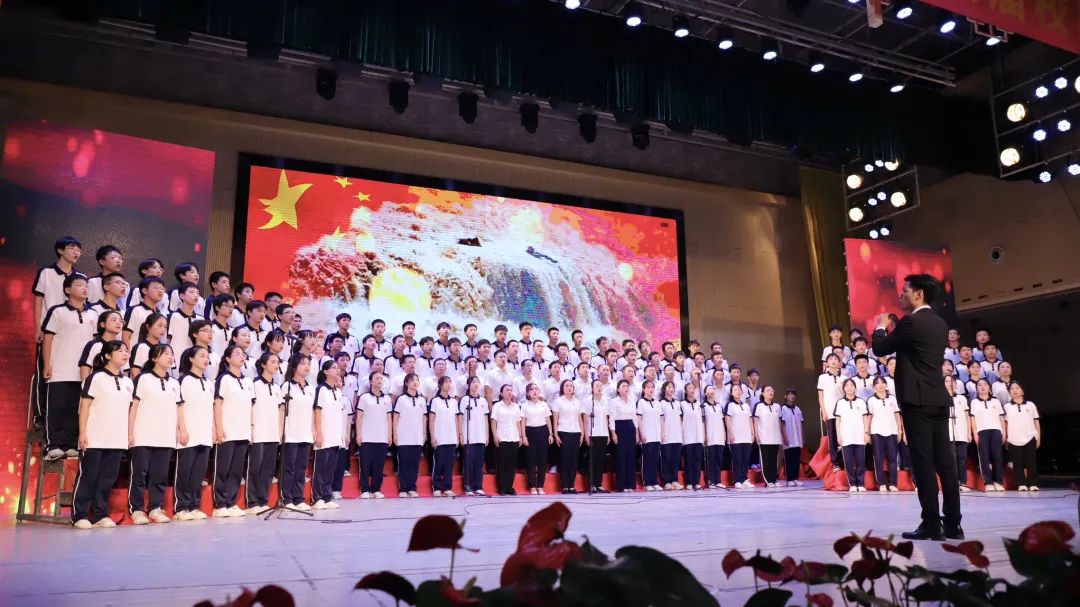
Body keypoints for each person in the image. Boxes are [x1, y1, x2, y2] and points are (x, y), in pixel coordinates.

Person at [871, 274, 962, 540]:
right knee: (946, 463)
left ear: (919, 294)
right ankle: (953, 524)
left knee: (923, 463)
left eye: (905, 290)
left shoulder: (911, 322)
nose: (901, 295)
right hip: (938, 399)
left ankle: (931, 524)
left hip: (917, 401)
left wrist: (881, 326)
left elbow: (880, 348)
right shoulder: (940, 323)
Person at [71, 340, 130, 529]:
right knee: (89, 476)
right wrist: (82, 432)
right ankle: (79, 515)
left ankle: (100, 514)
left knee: (107, 478)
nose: (125, 353)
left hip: (116, 439)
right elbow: (84, 406)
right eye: (119, 350)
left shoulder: (128, 382)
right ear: (107, 356)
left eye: (126, 350)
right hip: (95, 437)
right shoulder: (96, 377)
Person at [42, 273, 96, 460]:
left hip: (82, 372)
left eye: (86, 285)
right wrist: (47, 364)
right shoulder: (57, 311)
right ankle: (53, 445)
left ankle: (72, 444)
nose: (84, 288)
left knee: (76, 409)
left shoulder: (93, 314)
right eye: (79, 285)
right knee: (57, 408)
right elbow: (48, 339)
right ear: (67, 290)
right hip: (60, 369)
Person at [127, 344, 179, 525]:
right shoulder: (143, 378)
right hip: (143, 434)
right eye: (166, 354)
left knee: (160, 475)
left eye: (172, 354)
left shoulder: (174, 383)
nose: (170, 357)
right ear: (154, 358)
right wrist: (130, 432)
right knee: (139, 474)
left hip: (165, 436)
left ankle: (156, 508)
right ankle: (137, 509)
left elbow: (178, 409)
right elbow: (134, 406)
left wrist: (180, 430)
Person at [212, 346, 254, 517]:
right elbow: (218, 405)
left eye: (243, 354)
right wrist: (218, 428)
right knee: (223, 469)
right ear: (228, 359)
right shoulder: (224, 379)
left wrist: (251, 428)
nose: (241, 356)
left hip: (243, 432)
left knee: (236, 470)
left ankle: (231, 502)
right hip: (227, 432)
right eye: (237, 354)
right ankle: (220, 504)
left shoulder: (248, 381)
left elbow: (250, 407)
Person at [175, 346, 213, 521]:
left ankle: (194, 506)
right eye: (202, 356)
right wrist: (182, 429)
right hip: (188, 434)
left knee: (198, 473)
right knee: (185, 472)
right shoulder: (184, 380)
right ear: (191, 359)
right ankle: (181, 507)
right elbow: (179, 406)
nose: (206, 359)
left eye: (207, 356)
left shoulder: (208, 383)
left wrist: (212, 430)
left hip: (204, 435)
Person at [247, 352, 284, 515]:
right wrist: (250, 428)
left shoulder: (277, 387)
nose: (276, 365)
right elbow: (249, 407)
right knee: (255, 468)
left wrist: (280, 432)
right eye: (272, 362)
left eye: (277, 362)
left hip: (272, 434)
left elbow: (280, 410)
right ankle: (252, 501)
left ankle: (263, 500)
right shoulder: (254, 384)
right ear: (263, 364)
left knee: (268, 470)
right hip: (258, 433)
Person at [281, 353, 315, 512]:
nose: (307, 366)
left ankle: (298, 498)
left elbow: (312, 411)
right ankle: (286, 498)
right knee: (289, 467)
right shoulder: (287, 386)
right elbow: (282, 410)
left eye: (308, 363)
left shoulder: (311, 388)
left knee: (301, 468)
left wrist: (313, 430)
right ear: (294, 366)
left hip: (305, 433)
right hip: (290, 433)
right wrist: (281, 432)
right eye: (303, 363)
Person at [312, 360, 344, 510]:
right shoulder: (321, 389)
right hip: (324, 436)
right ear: (325, 371)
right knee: (321, 468)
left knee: (331, 468)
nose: (337, 370)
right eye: (333, 368)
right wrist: (318, 433)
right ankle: (317, 498)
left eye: (338, 368)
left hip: (335, 436)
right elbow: (317, 411)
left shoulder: (338, 392)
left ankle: (327, 496)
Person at [356, 372, 392, 499]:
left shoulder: (387, 399)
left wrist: (389, 434)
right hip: (367, 436)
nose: (379, 380)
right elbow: (359, 416)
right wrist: (358, 434)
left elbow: (389, 417)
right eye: (377, 378)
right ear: (371, 381)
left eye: (381, 378)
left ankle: (376, 489)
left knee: (379, 465)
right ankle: (365, 489)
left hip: (382, 437)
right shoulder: (364, 397)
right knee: (365, 465)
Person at [392, 373, 427, 498]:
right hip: (403, 436)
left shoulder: (422, 400)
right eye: (412, 380)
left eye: (417, 380)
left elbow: (424, 418)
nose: (415, 382)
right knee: (404, 464)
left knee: (414, 464)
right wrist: (395, 434)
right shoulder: (401, 399)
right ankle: (403, 488)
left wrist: (424, 433)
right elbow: (395, 417)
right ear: (406, 383)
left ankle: (412, 488)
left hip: (417, 436)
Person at [969, 379, 1006, 492]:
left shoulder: (995, 401)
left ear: (989, 387)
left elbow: (1001, 417)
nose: (983, 387)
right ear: (976, 389)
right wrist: (975, 433)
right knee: (984, 457)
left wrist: (1004, 432)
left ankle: (998, 481)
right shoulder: (974, 402)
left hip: (996, 430)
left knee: (997, 457)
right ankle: (988, 482)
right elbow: (973, 418)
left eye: (985, 384)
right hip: (982, 431)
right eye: (979, 385)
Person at [834, 379, 870, 493]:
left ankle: (861, 484)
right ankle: (853, 484)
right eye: (847, 386)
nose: (849, 387)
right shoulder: (840, 403)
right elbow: (838, 420)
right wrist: (838, 435)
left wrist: (866, 433)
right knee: (848, 462)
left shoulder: (861, 402)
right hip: (846, 437)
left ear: (855, 388)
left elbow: (865, 418)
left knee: (861, 461)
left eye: (852, 385)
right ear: (844, 389)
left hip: (860, 436)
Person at [1002, 382, 1040, 491]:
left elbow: (1036, 421)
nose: (1015, 390)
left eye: (1017, 388)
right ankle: (1021, 483)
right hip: (1014, 438)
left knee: (1031, 461)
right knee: (1017, 462)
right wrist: (1007, 437)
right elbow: (1005, 423)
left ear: (1022, 391)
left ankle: (1032, 483)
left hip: (1030, 436)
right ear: (1009, 392)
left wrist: (1038, 437)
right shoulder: (1007, 407)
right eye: (1012, 389)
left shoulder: (1030, 405)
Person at [866, 377, 901, 493]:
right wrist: (867, 432)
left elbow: (897, 415)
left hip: (892, 431)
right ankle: (881, 484)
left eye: (883, 383)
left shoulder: (892, 399)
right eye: (877, 383)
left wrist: (899, 430)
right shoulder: (871, 400)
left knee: (893, 459)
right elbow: (869, 417)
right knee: (878, 459)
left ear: (886, 385)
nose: (881, 385)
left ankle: (893, 484)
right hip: (876, 432)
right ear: (874, 386)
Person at [428, 377, 460, 497]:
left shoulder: (454, 402)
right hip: (440, 436)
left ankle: (447, 487)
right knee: (438, 463)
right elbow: (431, 420)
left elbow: (456, 420)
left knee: (449, 464)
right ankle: (436, 487)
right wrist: (433, 436)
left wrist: (457, 436)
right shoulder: (435, 401)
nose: (448, 384)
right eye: (446, 382)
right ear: (440, 385)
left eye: (449, 382)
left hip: (451, 436)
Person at [552, 379, 585, 494]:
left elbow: (579, 419)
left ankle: (571, 485)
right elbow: (555, 419)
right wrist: (555, 434)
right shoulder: (558, 401)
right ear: (562, 388)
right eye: (566, 386)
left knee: (573, 460)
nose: (569, 388)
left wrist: (582, 433)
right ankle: (565, 485)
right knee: (564, 459)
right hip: (563, 431)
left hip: (575, 432)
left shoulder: (577, 402)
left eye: (571, 386)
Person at [490, 384, 524, 496]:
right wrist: (495, 435)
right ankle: (502, 487)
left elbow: (518, 422)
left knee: (512, 464)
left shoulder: (516, 407)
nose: (510, 392)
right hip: (502, 438)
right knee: (501, 464)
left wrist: (520, 436)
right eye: (507, 390)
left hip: (514, 437)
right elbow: (493, 421)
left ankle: (510, 487)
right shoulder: (497, 406)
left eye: (511, 390)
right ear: (501, 393)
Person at [458, 376, 489, 496]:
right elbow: (460, 417)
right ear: (468, 385)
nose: (476, 384)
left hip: (480, 435)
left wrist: (486, 435)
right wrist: (461, 434)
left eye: (477, 382)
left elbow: (486, 418)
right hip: (468, 436)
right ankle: (468, 486)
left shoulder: (483, 401)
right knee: (468, 462)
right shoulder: (465, 399)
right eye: (473, 382)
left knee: (479, 463)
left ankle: (478, 486)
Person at [522, 383, 553, 495]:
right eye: (531, 389)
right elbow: (523, 422)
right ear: (528, 393)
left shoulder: (544, 405)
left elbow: (548, 420)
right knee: (531, 460)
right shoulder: (524, 405)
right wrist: (524, 436)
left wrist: (550, 434)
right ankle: (532, 486)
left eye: (536, 389)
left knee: (542, 460)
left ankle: (540, 486)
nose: (534, 391)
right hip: (530, 432)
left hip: (543, 431)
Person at [817, 353, 845, 472]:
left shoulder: (843, 377)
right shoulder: (822, 377)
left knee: (843, 438)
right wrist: (824, 411)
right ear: (827, 363)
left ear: (839, 363)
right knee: (832, 438)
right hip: (830, 412)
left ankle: (844, 461)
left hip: (843, 413)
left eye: (835, 359)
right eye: (830, 359)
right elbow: (821, 396)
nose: (833, 361)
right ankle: (836, 463)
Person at [608, 380, 638, 493]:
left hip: (630, 427)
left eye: (627, 386)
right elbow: (611, 418)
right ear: (618, 389)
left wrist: (636, 432)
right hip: (620, 428)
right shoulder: (614, 402)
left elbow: (634, 417)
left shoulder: (631, 400)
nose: (626, 388)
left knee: (631, 456)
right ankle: (621, 485)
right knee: (621, 457)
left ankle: (630, 484)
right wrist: (613, 433)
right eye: (623, 386)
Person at [944, 375, 973, 492]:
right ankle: (953, 482)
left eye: (952, 381)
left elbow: (967, 416)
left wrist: (969, 432)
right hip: (948, 434)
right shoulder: (941, 398)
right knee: (951, 459)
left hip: (961, 432)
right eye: (947, 381)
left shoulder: (962, 398)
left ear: (956, 384)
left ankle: (963, 482)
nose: (950, 383)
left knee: (962, 458)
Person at [79, 310, 124, 382]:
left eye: (121, 321)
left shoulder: (122, 347)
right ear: (103, 324)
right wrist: (87, 387)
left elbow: (123, 372)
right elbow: (84, 371)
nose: (118, 323)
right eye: (114, 320)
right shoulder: (94, 345)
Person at [584, 379, 612, 493]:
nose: (599, 388)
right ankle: (591, 484)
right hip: (593, 433)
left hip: (603, 433)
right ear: (592, 388)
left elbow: (606, 418)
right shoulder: (588, 401)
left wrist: (608, 434)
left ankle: (598, 483)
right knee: (592, 460)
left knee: (601, 459)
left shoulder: (605, 401)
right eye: (596, 386)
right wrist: (586, 434)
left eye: (600, 386)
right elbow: (585, 420)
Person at [725, 384, 754, 489]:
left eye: (739, 390)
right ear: (732, 393)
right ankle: (737, 480)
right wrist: (731, 433)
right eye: (735, 390)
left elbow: (750, 419)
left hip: (746, 437)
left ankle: (744, 479)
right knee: (737, 460)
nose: (738, 391)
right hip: (736, 437)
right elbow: (727, 419)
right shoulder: (730, 405)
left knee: (745, 460)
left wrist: (752, 433)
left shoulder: (746, 406)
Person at [123, 277, 166, 347]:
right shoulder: (135, 310)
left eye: (162, 288)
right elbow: (126, 336)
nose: (160, 291)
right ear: (145, 290)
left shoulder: (161, 315)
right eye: (156, 287)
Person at [636, 380, 663, 492]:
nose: (650, 389)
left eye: (652, 387)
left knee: (655, 459)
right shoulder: (641, 402)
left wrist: (662, 433)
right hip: (647, 435)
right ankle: (647, 482)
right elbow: (639, 419)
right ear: (644, 389)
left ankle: (654, 481)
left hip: (656, 435)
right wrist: (642, 433)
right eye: (648, 387)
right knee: (647, 459)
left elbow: (661, 418)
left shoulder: (657, 403)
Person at [753, 386, 783, 488]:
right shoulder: (759, 406)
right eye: (768, 390)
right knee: (766, 460)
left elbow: (779, 421)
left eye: (772, 390)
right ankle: (767, 480)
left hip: (775, 437)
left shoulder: (777, 406)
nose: (770, 392)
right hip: (764, 438)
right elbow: (756, 420)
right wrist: (756, 434)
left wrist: (780, 434)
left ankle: (774, 479)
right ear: (762, 393)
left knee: (774, 460)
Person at [658, 381, 684, 490]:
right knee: (666, 458)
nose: (671, 389)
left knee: (675, 459)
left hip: (676, 435)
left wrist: (681, 432)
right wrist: (662, 432)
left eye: (672, 387)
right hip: (666, 435)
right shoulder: (661, 403)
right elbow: (661, 419)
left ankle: (674, 480)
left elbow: (680, 418)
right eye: (669, 387)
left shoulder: (677, 403)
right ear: (664, 389)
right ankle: (667, 481)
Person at [681, 382, 704, 491]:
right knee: (689, 460)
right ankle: (689, 482)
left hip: (698, 436)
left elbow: (702, 420)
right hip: (688, 436)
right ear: (686, 391)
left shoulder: (699, 404)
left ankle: (696, 481)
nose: (692, 390)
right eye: (689, 388)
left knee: (697, 460)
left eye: (693, 388)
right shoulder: (682, 404)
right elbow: (681, 420)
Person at [702, 385, 727, 489]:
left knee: (718, 459)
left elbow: (722, 421)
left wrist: (724, 435)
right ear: (705, 393)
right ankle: (711, 480)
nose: (711, 391)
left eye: (713, 389)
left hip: (719, 436)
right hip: (710, 436)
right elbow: (703, 422)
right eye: (709, 389)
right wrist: (704, 435)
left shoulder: (718, 406)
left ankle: (718, 480)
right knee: (711, 459)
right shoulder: (703, 406)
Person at [130, 313, 167, 380]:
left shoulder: (165, 349)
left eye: (165, 327)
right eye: (159, 326)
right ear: (148, 326)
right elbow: (135, 372)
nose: (163, 330)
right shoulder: (141, 347)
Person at [779, 388, 804, 487]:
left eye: (793, 394)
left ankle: (795, 478)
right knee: (789, 459)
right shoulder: (783, 408)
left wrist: (802, 436)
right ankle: (789, 479)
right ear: (785, 396)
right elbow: (782, 424)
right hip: (789, 438)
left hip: (797, 439)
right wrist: (784, 437)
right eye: (789, 394)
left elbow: (801, 423)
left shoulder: (797, 409)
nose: (792, 396)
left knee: (796, 459)